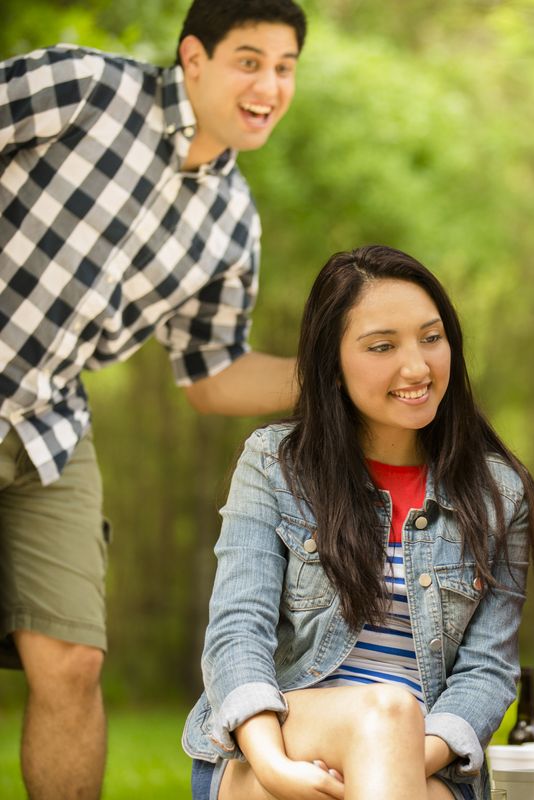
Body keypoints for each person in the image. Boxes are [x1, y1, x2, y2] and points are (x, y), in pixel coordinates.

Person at [1, 1, 305, 796]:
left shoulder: (232, 223)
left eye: (284, 67)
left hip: (46, 427)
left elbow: (211, 376)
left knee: (71, 659)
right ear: (193, 59)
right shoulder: (83, 86)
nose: (268, 85)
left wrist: (348, 368)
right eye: (249, 60)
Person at [183, 245, 534, 800]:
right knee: (382, 709)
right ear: (330, 364)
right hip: (277, 739)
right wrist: (276, 764)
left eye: (432, 338)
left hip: (426, 758)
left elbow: (486, 672)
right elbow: (238, 632)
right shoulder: (274, 464)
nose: (417, 367)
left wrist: (390, 756)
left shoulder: (499, 493)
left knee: (389, 716)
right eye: (382, 346)